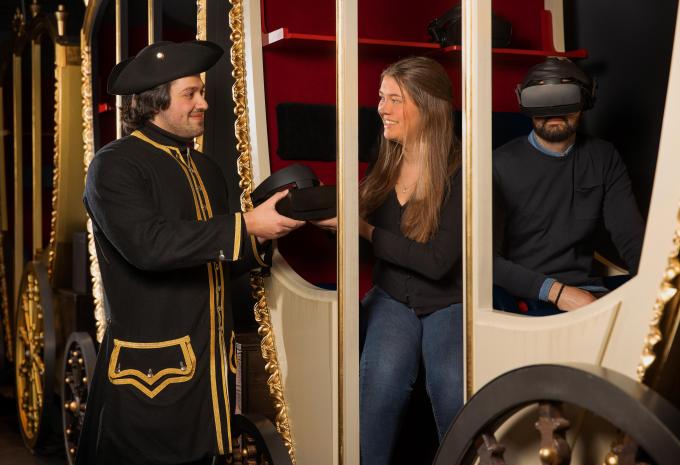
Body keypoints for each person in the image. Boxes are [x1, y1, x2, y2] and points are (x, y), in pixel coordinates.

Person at [77, 40, 304, 465]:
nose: (204, 103)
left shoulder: (206, 170)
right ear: (155, 103)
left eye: (201, 92)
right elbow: (149, 246)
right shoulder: (115, 165)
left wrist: (269, 230)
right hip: (150, 375)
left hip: (209, 369)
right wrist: (246, 224)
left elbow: (214, 259)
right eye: (190, 94)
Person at [314, 56, 463, 465]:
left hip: (448, 302)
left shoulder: (462, 170)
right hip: (393, 297)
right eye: (381, 98)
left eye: (395, 99)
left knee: (450, 387)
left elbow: (437, 263)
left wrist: (363, 229)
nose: (382, 108)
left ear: (428, 106)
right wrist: (330, 223)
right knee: (379, 385)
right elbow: (368, 242)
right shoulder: (386, 160)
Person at [493, 57, 645, 316]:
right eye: (543, 100)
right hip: (525, 297)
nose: (554, 111)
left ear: (586, 100)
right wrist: (557, 292)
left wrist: (656, 284)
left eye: (565, 98)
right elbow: (485, 261)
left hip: (589, 292)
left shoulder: (603, 157)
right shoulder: (498, 165)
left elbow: (630, 236)